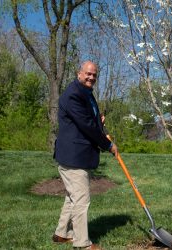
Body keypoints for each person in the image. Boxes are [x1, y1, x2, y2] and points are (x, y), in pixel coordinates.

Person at [53, 61, 118, 250]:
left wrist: (99, 119)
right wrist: (108, 145)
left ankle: (62, 233)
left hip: (76, 155)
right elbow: (86, 126)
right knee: (81, 200)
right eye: (88, 74)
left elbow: (89, 119)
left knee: (72, 197)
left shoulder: (85, 93)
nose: (91, 77)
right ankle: (82, 244)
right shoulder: (73, 94)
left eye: (94, 75)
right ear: (79, 73)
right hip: (74, 157)